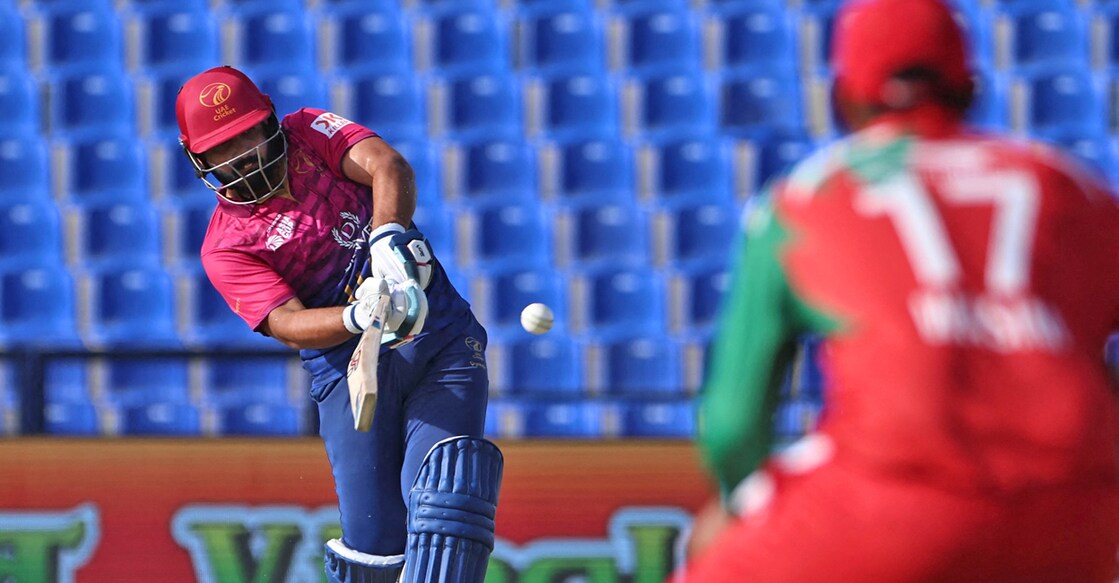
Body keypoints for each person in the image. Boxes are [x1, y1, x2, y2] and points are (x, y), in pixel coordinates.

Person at [679, 0, 1119, 581]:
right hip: (1079, 508)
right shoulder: (1072, 188)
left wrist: (741, 504)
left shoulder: (807, 197)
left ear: (843, 95)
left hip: (893, 496)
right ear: (970, 86)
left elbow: (734, 426)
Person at [175, 66, 502, 583]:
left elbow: (387, 167)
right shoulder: (225, 246)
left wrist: (386, 238)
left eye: (247, 134)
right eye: (222, 146)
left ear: (270, 124)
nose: (242, 154)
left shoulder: (309, 131)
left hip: (438, 338)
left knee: (447, 505)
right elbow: (285, 322)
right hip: (348, 371)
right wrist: (357, 315)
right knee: (375, 548)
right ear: (199, 158)